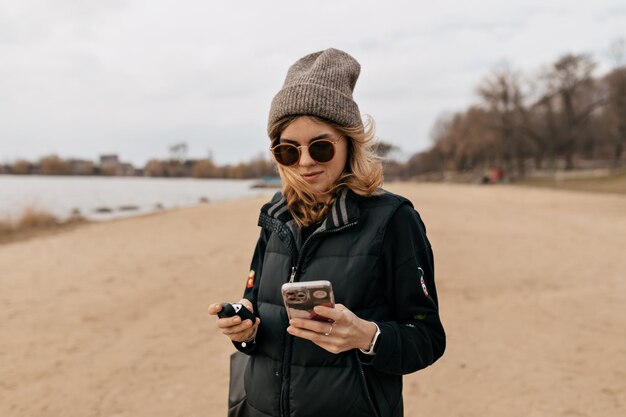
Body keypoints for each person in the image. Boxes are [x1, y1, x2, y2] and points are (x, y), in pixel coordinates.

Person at [208, 48, 446, 417]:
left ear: (349, 142)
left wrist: (368, 336)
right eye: (289, 151)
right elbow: (257, 306)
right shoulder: (274, 215)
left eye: (320, 147)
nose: (305, 162)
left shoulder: (393, 219)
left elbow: (427, 338)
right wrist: (246, 328)